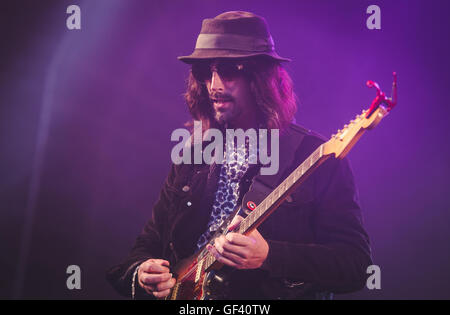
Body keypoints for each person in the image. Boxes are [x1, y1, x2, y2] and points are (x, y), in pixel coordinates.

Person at [106, 11, 372, 300]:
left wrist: (270, 256)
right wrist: (143, 271)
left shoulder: (315, 157)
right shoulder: (193, 155)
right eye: (206, 73)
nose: (214, 86)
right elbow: (147, 245)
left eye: (229, 71)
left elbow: (355, 266)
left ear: (261, 78)